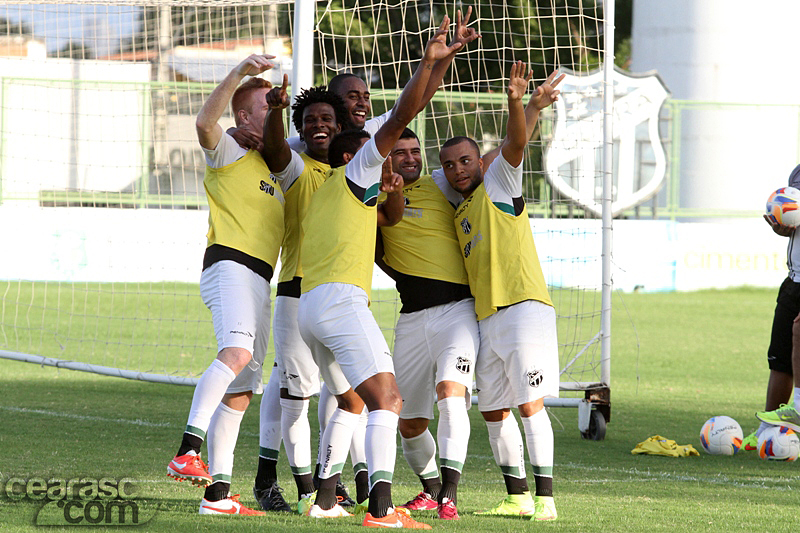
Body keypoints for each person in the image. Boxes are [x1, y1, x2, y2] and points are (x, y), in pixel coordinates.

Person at [296, 16, 464, 528]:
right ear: (357, 154)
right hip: (342, 302)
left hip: (310, 306)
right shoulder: (356, 168)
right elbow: (404, 114)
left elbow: (389, 207)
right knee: (386, 399)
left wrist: (441, 63)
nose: (389, 159)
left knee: (349, 400)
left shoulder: (329, 188)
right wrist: (427, 63)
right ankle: (382, 509)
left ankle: (324, 500)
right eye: (382, 154)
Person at [260, 79, 398, 513]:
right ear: (301, 129)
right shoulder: (302, 169)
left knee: (347, 399)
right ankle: (299, 488)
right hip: (300, 293)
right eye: (310, 120)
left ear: (339, 128)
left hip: (322, 298)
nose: (318, 125)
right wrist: (276, 113)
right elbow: (278, 149)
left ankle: (324, 493)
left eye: (326, 119)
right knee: (296, 398)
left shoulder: (349, 175)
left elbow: (386, 220)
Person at [439, 62, 564, 521]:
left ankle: (547, 500)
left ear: (481, 161)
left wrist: (520, 103)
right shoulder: (460, 210)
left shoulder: (498, 183)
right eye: (449, 165)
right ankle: (517, 496)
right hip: (487, 317)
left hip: (524, 309)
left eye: (465, 161)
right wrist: (530, 107)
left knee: (529, 404)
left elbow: (514, 144)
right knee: (492, 410)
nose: (457, 170)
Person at [165, 54, 285, 516]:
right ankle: (186, 451)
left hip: (260, 277)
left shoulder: (274, 162)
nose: (275, 109)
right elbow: (203, 122)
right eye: (267, 104)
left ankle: (216, 495)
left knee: (241, 390)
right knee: (233, 354)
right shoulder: (229, 150)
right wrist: (238, 72)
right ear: (243, 115)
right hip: (230, 264)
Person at [376, 128, 477, 521]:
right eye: (399, 152)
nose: (410, 158)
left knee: (451, 395)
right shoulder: (376, 196)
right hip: (412, 316)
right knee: (410, 421)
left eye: (415, 151)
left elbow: (491, 163)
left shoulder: (443, 183)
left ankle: (450, 495)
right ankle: (431, 490)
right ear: (386, 159)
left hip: (458, 310)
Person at [755, 164, 800, 435]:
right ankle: (767, 431)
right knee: (780, 360)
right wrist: (784, 227)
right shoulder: (797, 174)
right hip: (794, 280)